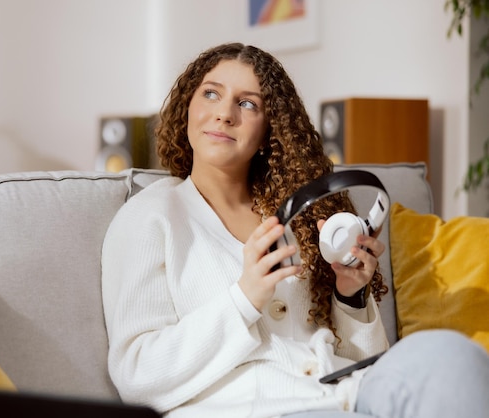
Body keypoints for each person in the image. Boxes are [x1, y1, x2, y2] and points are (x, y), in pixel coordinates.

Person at [101, 42, 489, 417]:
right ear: (187, 106)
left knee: (452, 356)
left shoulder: (296, 215)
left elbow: (363, 362)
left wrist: (350, 296)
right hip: (255, 409)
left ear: (269, 130)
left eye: (247, 103)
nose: (224, 114)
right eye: (211, 94)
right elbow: (136, 375)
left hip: (344, 392)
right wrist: (243, 299)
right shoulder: (150, 217)